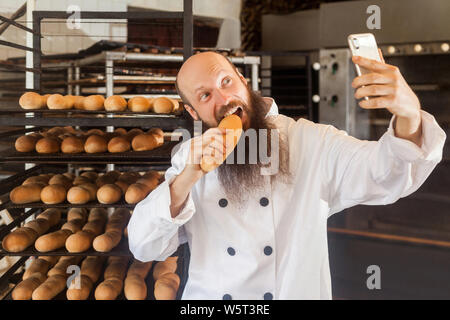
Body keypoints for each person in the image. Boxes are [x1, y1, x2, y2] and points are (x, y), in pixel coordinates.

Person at [127, 51, 446, 299]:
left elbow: (386, 174)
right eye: (205, 95)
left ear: (243, 80)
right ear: (194, 113)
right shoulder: (189, 157)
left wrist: (409, 114)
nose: (225, 100)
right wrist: (187, 177)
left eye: (226, 82)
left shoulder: (311, 141)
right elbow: (144, 247)